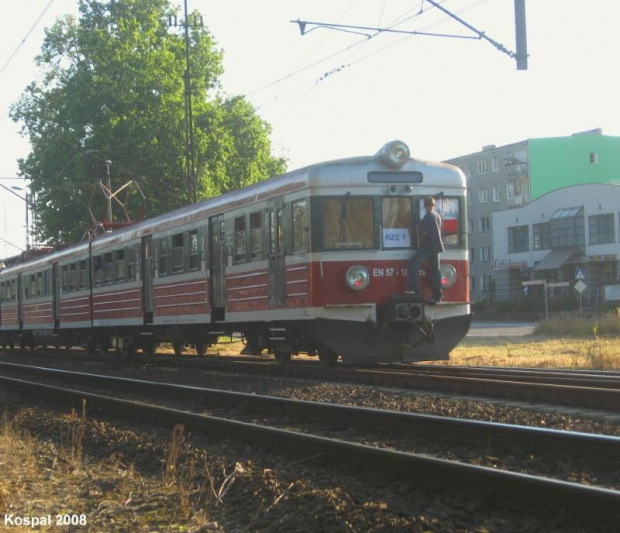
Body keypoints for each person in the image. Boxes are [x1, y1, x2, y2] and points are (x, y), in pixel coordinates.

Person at [407, 196, 444, 303]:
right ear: (433, 205)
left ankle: (414, 291)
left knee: (413, 264)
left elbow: (424, 232)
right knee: (435, 270)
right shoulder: (437, 215)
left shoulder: (428, 216)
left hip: (428, 247)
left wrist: (417, 230)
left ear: (424, 205)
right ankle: (438, 296)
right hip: (436, 247)